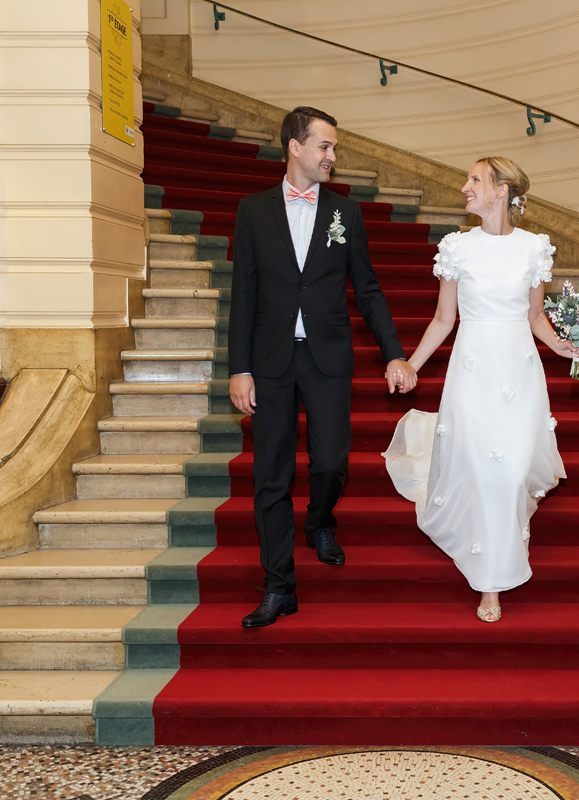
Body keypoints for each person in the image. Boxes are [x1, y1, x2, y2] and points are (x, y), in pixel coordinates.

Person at [228, 106, 418, 628]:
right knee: (272, 475)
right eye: (325, 147)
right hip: (269, 360)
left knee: (331, 462)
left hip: (326, 356)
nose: (332, 157)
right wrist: (238, 367)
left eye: (333, 149)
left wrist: (394, 352)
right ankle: (278, 586)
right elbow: (243, 292)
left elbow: (370, 289)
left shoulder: (344, 214)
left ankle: (319, 521)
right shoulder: (252, 211)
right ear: (295, 147)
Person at [382, 156, 579, 623]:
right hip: (471, 373)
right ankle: (490, 583)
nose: (464, 187)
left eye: (475, 180)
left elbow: (535, 317)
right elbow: (443, 320)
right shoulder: (456, 247)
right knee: (486, 472)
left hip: (518, 371)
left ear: (502, 191)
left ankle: (504, 535)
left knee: (510, 473)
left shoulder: (534, 248)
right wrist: (410, 365)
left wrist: (562, 344)